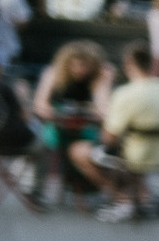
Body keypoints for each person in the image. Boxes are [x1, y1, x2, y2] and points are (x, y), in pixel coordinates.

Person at [76, 41, 159, 222]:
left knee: (79, 151)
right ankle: (142, 196)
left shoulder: (125, 94)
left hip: (135, 157)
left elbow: (108, 138)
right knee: (128, 146)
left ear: (128, 64)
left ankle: (123, 198)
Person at [31, 40, 114, 200]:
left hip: (85, 127)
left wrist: (105, 82)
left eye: (85, 66)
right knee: (49, 138)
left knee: (95, 142)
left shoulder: (99, 75)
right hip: (58, 124)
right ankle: (46, 183)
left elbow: (103, 108)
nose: (80, 70)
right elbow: (40, 104)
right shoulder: (53, 72)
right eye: (75, 65)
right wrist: (50, 111)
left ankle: (89, 184)